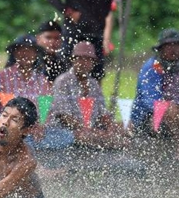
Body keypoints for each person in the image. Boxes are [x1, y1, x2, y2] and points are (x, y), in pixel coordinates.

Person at [47, 42, 129, 149]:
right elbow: (64, 117)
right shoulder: (62, 81)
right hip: (67, 131)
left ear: (93, 63)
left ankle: (107, 143)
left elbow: (102, 113)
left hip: (92, 129)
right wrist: (91, 130)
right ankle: (106, 144)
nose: (84, 62)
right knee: (84, 136)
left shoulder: (93, 83)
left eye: (88, 59)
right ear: (73, 60)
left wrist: (111, 128)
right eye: (80, 58)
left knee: (126, 128)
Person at [131, 28, 179, 156]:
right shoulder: (152, 66)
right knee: (172, 109)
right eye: (169, 46)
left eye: (176, 45)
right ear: (161, 48)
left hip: (173, 113)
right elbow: (149, 100)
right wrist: (172, 106)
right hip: (147, 118)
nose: (173, 49)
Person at [0, 35, 52, 105]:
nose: (25, 54)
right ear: (14, 53)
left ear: (36, 54)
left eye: (30, 50)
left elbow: (45, 111)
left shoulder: (43, 81)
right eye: (21, 50)